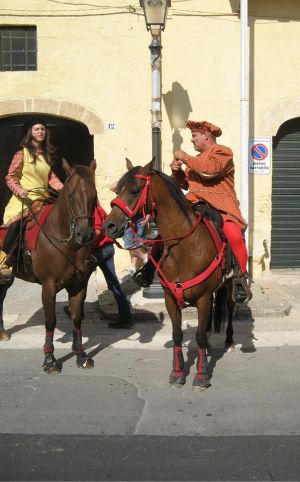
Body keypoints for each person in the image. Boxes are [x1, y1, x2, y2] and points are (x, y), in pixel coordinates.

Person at [133, 120, 252, 304]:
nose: (192, 140)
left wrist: (185, 157)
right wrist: (177, 172)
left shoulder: (223, 152)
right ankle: (149, 269)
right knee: (167, 229)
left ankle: (240, 277)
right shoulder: (195, 161)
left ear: (206, 135)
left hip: (220, 204)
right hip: (195, 203)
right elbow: (185, 184)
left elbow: (211, 171)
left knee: (233, 233)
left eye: (194, 136)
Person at [0, 117, 63, 283]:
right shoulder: (22, 153)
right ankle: (3, 262)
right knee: (17, 225)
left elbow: (51, 178)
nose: (40, 131)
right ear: (30, 133)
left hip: (43, 201)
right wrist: (20, 191)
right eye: (37, 129)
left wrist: (64, 189)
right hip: (23, 202)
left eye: (42, 129)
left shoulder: (47, 156)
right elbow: (10, 178)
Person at [92, 202, 133, 329]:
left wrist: (85, 245)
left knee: (79, 283)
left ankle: (75, 310)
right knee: (114, 284)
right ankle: (126, 318)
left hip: (99, 250)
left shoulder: (92, 209)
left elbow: (97, 231)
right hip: (108, 248)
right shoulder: (99, 207)